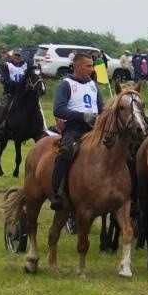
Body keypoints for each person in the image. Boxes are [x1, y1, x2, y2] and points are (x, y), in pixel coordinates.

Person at [49, 52, 105, 210]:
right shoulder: (65, 84)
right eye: (89, 66)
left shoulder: (93, 85)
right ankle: (57, 192)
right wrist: (82, 116)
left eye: (92, 66)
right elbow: (58, 109)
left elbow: (101, 108)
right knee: (66, 151)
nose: (92, 69)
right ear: (78, 67)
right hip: (75, 128)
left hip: (95, 128)